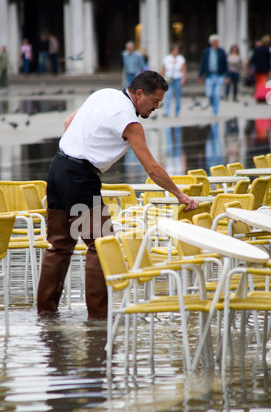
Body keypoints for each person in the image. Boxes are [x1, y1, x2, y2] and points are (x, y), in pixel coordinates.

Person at [37, 70, 198, 319]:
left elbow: (68, 122)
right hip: (80, 177)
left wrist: (78, 149)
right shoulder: (129, 121)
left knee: (59, 244)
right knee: (101, 245)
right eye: (155, 101)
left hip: (58, 167)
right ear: (139, 94)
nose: (156, 108)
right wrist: (180, 195)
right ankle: (99, 320)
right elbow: (152, 168)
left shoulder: (104, 94)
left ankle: (45, 313)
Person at [198, 34, 229, 115]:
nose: (217, 43)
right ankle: (212, 104)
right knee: (210, 94)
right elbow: (203, 63)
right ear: (211, 43)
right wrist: (200, 75)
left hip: (219, 75)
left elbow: (225, 64)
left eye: (217, 42)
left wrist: (227, 76)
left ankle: (215, 110)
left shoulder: (222, 51)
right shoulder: (206, 51)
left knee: (217, 94)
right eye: (215, 42)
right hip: (209, 75)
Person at [161, 44, 186, 117]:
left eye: (177, 51)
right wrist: (160, 78)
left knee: (177, 95)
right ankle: (166, 111)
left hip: (178, 77)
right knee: (168, 95)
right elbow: (163, 69)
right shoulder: (167, 58)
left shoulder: (181, 58)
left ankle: (177, 112)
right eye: (175, 50)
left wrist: (183, 78)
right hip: (169, 78)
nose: (176, 52)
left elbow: (183, 69)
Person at [250, 35, 271, 102]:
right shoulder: (268, 50)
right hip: (264, 70)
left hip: (256, 69)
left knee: (257, 83)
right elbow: (268, 62)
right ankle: (261, 96)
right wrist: (269, 70)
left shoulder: (257, 49)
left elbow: (252, 59)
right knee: (262, 83)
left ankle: (257, 96)